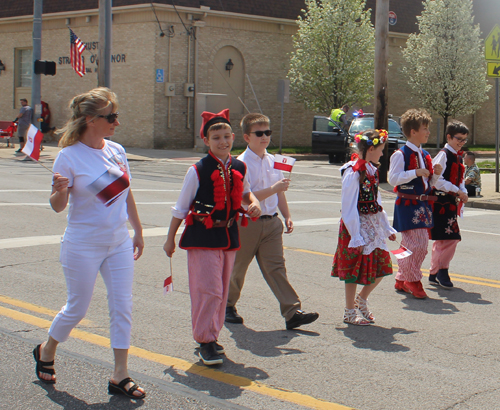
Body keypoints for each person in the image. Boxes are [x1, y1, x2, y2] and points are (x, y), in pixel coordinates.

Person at [32, 87, 146, 399]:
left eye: (116, 115)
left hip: (118, 243)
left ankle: (119, 373)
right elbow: (58, 206)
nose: (116, 122)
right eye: (110, 117)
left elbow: (126, 193)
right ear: (89, 120)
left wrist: (137, 230)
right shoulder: (68, 157)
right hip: (83, 244)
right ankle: (47, 349)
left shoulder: (117, 151)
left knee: (122, 305)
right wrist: (60, 189)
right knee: (77, 308)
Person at [163, 109, 261, 366]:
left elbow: (246, 193)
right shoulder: (197, 170)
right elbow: (180, 207)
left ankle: (212, 336)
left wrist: (254, 203)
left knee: (221, 289)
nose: (223, 142)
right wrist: (170, 238)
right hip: (201, 236)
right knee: (209, 291)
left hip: (228, 234)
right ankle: (205, 341)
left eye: (227, 136)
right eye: (216, 137)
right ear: (206, 141)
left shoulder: (240, 166)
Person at [225, 113, 319, 330]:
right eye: (259, 133)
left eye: (268, 132)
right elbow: (243, 196)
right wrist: (274, 189)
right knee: (238, 267)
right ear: (247, 137)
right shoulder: (239, 163)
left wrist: (287, 215)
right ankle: (227, 305)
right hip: (246, 223)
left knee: (276, 268)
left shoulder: (274, 161)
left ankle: (292, 311)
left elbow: (280, 193)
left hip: (271, 223)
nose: (265, 137)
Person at [332, 129, 397, 325]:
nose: (382, 153)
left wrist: (386, 228)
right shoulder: (353, 172)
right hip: (356, 226)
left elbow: (377, 202)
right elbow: (348, 206)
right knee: (353, 269)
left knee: (382, 265)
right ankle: (349, 311)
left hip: (371, 224)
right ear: (371, 148)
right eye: (381, 149)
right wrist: (355, 235)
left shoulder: (372, 170)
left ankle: (361, 299)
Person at [388, 109, 442, 299]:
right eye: (425, 128)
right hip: (407, 204)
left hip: (422, 204)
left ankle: (402, 277)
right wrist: (415, 172)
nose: (428, 132)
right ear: (413, 131)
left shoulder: (425, 154)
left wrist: (434, 174)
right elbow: (392, 179)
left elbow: (427, 185)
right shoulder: (400, 154)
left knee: (412, 244)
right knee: (418, 245)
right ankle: (412, 279)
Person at [428, 121, 469, 288]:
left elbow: (459, 178)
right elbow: (436, 180)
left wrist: (462, 191)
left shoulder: (457, 155)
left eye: (464, 140)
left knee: (445, 239)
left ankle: (435, 272)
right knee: (450, 238)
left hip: (450, 202)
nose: (461, 142)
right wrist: (456, 190)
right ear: (449, 137)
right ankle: (441, 270)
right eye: (459, 139)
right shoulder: (444, 155)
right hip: (441, 202)